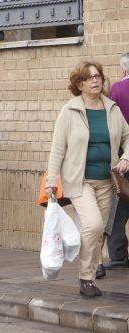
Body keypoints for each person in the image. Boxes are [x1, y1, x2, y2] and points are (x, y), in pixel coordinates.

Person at [46, 61, 129, 297]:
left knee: (100, 229)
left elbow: (127, 136)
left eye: (98, 76)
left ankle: (90, 277)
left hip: (107, 181)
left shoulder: (112, 108)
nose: (95, 81)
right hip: (79, 180)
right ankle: (85, 276)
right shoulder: (70, 110)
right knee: (92, 224)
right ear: (79, 84)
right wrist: (52, 180)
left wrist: (127, 158)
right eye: (89, 78)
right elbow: (57, 148)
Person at [104, 53, 129, 271]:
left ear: (123, 70)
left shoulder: (118, 91)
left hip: (123, 161)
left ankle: (119, 255)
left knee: (118, 210)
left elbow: (113, 125)